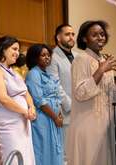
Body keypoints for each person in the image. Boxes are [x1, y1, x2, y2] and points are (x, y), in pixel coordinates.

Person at [66, 20, 116, 165]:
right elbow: (80, 93)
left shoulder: (105, 61)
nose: (100, 37)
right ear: (84, 39)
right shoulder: (81, 60)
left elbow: (110, 95)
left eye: (102, 34)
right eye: (95, 35)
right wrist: (100, 70)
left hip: (106, 125)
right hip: (87, 125)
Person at [0, 36, 36, 165]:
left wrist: (32, 107)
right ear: (3, 49)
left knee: (25, 157)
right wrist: (25, 111)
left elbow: (25, 93)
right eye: (14, 49)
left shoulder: (13, 71)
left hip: (22, 121)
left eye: (18, 50)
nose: (17, 53)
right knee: (12, 157)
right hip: (6, 121)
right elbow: (3, 99)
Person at [25, 44, 64, 165]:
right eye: (43, 55)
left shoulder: (49, 74)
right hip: (44, 119)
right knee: (44, 153)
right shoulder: (33, 74)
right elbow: (39, 101)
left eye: (48, 55)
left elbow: (56, 96)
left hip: (54, 118)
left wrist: (59, 114)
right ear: (35, 58)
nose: (47, 57)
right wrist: (55, 117)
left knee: (56, 153)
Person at [46, 24, 77, 158]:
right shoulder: (52, 57)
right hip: (66, 112)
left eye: (73, 34)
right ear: (58, 38)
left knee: (78, 154)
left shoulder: (78, 56)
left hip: (83, 112)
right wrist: (71, 106)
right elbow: (55, 85)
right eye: (67, 34)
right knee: (66, 155)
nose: (71, 37)